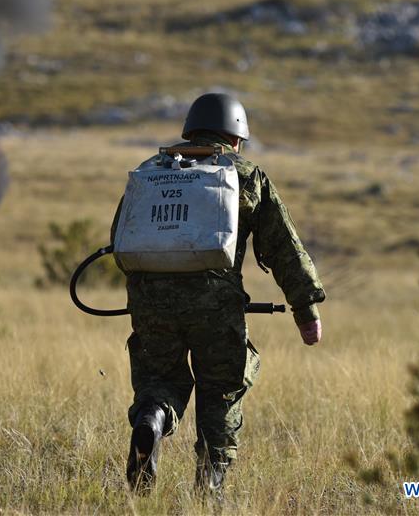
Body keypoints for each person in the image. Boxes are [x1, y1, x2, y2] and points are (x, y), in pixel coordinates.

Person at [110, 92, 326, 496]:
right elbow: (284, 248)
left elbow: (121, 237)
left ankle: (152, 420)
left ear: (191, 130)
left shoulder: (153, 169)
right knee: (221, 392)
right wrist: (305, 308)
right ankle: (210, 485)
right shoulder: (246, 174)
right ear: (236, 137)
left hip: (151, 302)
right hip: (215, 303)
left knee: (160, 381)